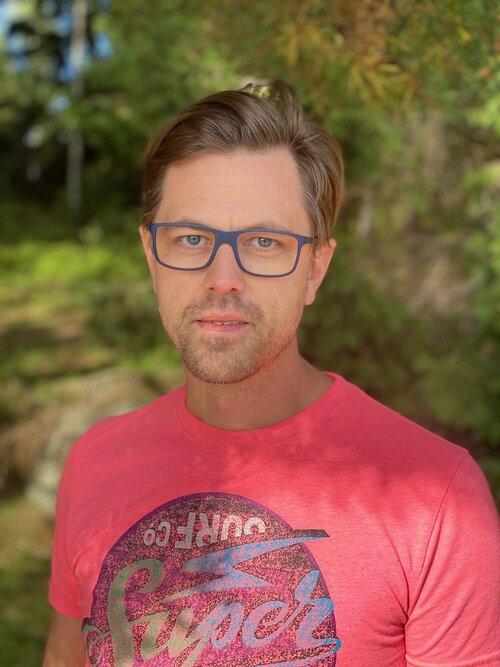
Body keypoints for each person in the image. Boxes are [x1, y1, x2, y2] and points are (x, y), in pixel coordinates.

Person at [43, 79, 499, 666]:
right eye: (190, 238)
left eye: (263, 242)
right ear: (152, 257)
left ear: (315, 270)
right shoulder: (94, 463)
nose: (223, 279)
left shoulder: (438, 501)